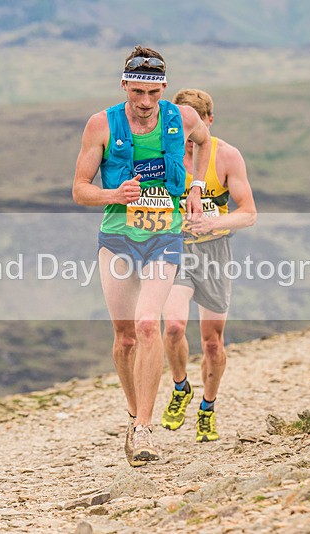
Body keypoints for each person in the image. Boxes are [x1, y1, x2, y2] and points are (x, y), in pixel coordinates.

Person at [72, 47, 211, 466]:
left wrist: (196, 188)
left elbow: (204, 144)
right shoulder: (101, 124)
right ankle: (134, 413)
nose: (146, 102)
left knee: (149, 323)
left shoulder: (182, 119)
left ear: (163, 87)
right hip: (117, 238)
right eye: (137, 92)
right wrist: (113, 194)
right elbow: (80, 189)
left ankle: (145, 428)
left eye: (152, 92)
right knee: (125, 336)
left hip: (163, 236)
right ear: (124, 86)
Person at [160, 88, 257, 443]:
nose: (186, 132)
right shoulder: (163, 154)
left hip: (215, 254)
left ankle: (207, 408)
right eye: (179, 123)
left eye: (193, 123)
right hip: (175, 250)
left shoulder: (227, 156)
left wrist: (214, 223)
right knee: (172, 326)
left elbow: (248, 214)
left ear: (208, 121)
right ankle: (181, 385)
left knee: (212, 342)